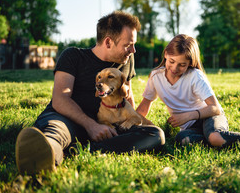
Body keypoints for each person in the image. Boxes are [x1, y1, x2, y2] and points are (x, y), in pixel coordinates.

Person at [15, 11, 165, 175]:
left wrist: (132, 123)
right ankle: (44, 154)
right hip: (67, 119)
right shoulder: (73, 56)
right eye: (128, 45)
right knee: (55, 132)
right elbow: (60, 99)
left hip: (108, 126)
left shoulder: (127, 60)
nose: (133, 50)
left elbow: (126, 97)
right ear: (108, 42)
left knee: (155, 134)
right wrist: (91, 125)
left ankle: (78, 151)